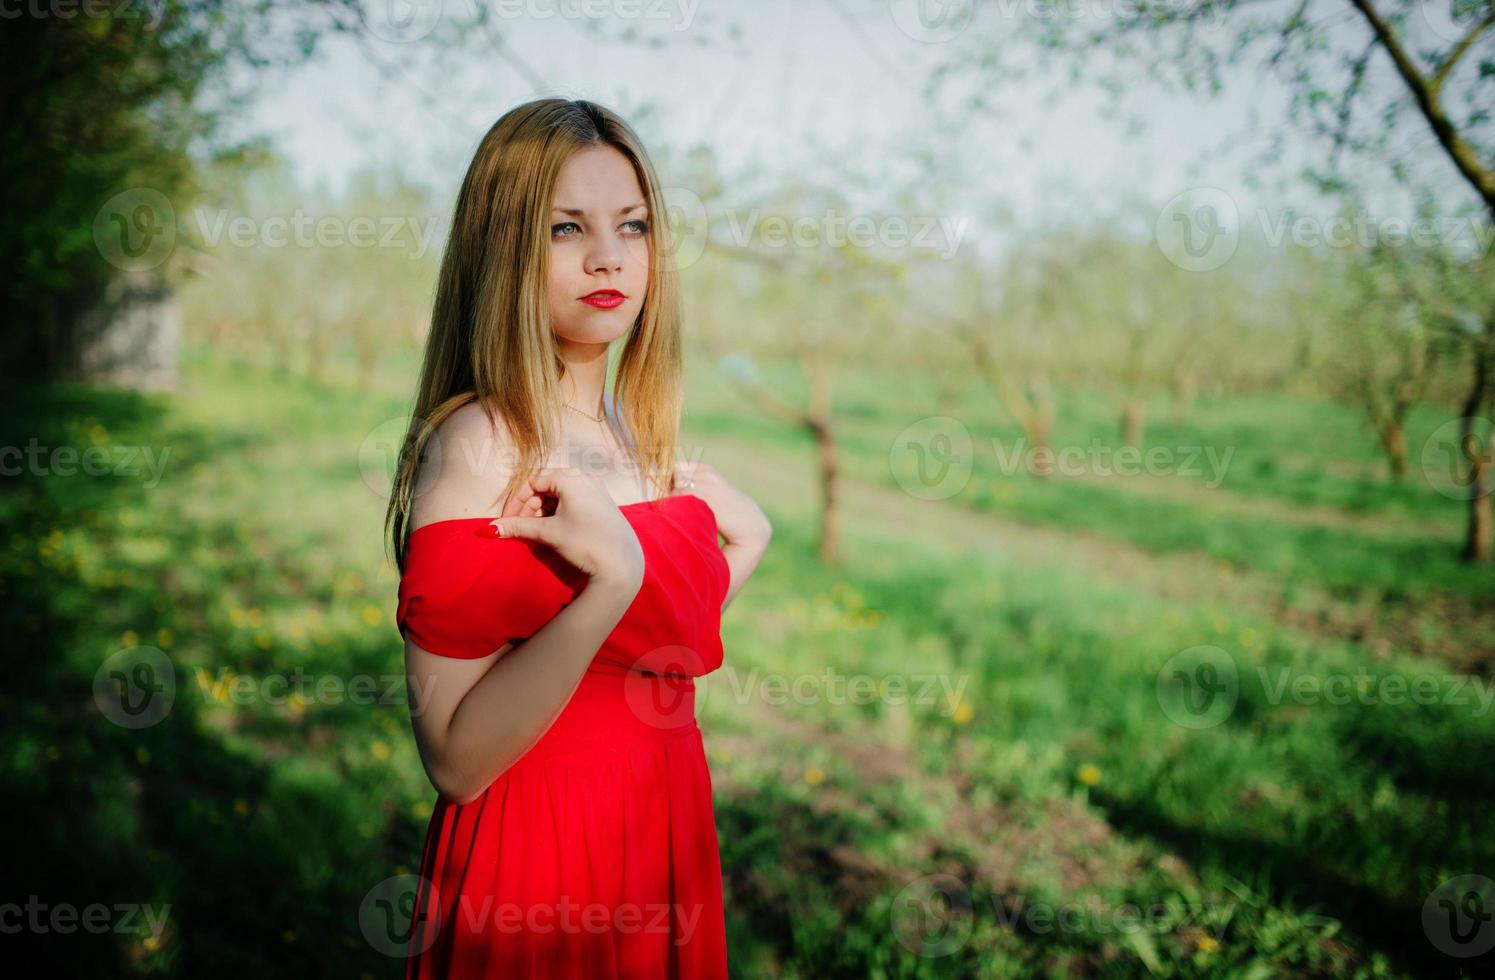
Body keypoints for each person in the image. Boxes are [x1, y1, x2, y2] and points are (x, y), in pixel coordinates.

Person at [383, 98, 772, 978]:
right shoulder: (481, 441)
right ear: (503, 247)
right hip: (537, 866)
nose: (608, 256)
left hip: (658, 837)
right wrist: (608, 583)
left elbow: (638, 655)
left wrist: (740, 548)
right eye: (566, 228)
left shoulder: (634, 434)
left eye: (630, 226)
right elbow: (454, 758)